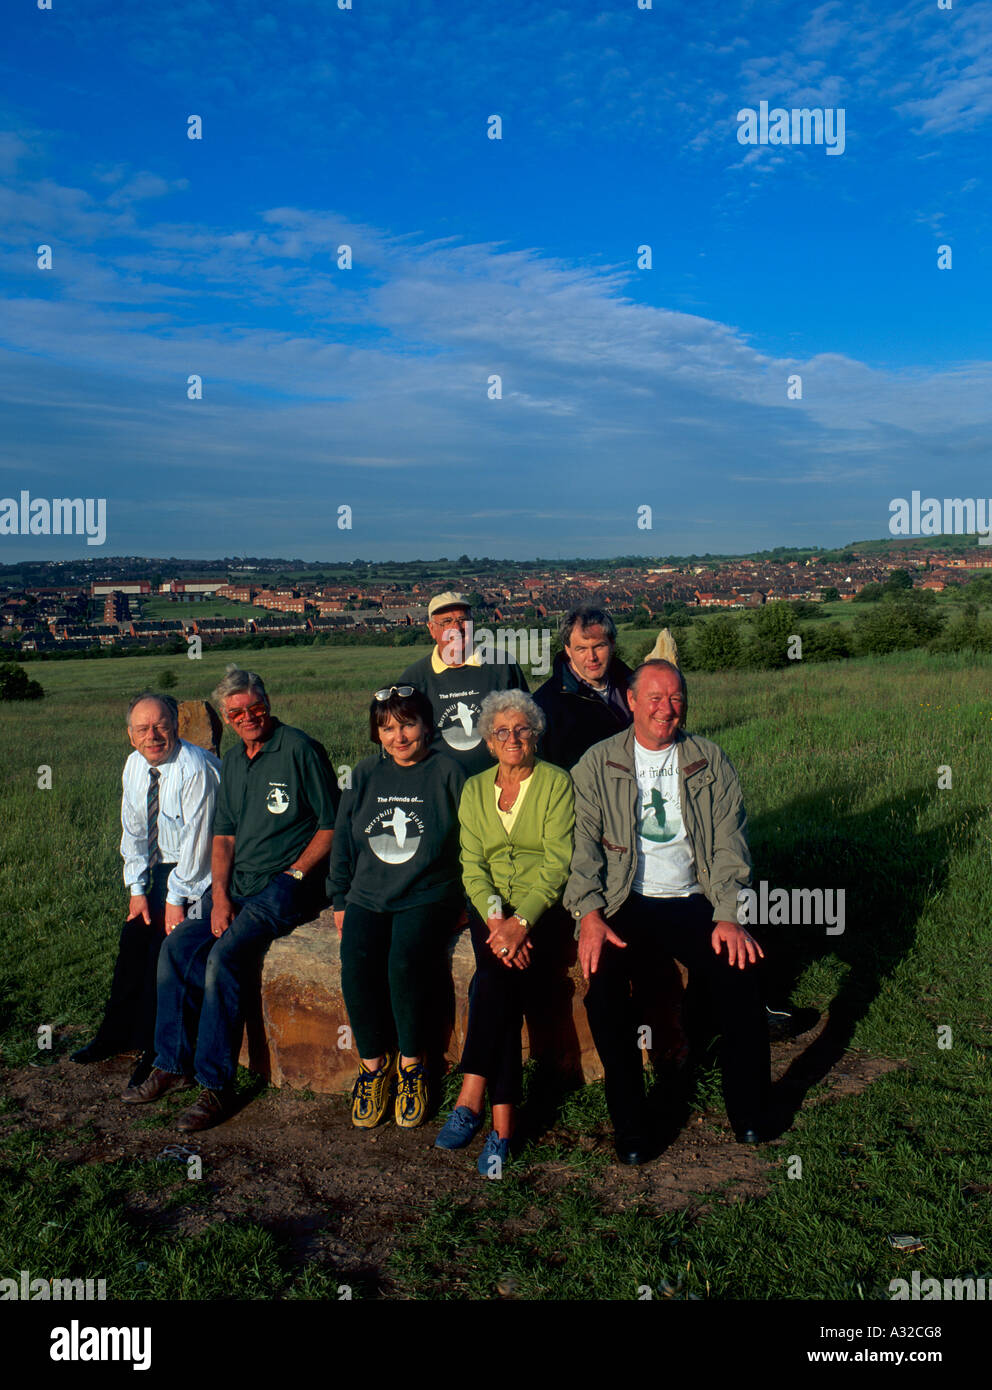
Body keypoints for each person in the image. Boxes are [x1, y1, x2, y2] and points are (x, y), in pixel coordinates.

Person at [564, 659, 770, 1165]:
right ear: (631, 701)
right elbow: (580, 849)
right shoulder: (597, 763)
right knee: (605, 995)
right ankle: (632, 1126)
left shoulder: (708, 759)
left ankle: (748, 1111)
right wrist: (588, 915)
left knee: (739, 979)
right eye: (654, 697)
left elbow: (730, 845)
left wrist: (728, 913)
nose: (666, 709)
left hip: (693, 898)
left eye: (675, 698)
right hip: (623, 900)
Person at [122, 666, 339, 1132]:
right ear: (227, 715)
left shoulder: (299, 749)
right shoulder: (237, 761)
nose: (247, 717)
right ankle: (171, 1062)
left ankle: (216, 1084)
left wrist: (296, 873)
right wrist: (219, 895)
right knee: (177, 947)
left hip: (285, 887)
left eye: (254, 707)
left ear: (267, 702)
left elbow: (331, 825)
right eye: (235, 711)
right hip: (237, 885)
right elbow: (223, 836)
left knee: (224, 956)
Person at [436, 690, 574, 1176]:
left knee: (492, 984)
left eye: (522, 729)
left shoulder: (557, 783)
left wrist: (522, 923)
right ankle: (503, 1127)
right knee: (501, 982)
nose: (513, 738)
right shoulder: (474, 790)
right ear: (489, 742)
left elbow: (557, 865)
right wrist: (497, 921)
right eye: (502, 732)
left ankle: (473, 1096)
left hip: (542, 911)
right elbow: (472, 865)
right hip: (490, 911)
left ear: (535, 735)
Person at [328, 685, 466, 1129]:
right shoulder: (365, 775)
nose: (399, 736)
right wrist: (339, 898)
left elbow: (471, 840)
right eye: (387, 727)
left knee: (404, 963)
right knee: (356, 962)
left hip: (428, 893)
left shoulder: (448, 771)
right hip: (368, 894)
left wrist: (466, 899)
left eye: (407, 724)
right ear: (376, 733)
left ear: (427, 725)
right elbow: (345, 841)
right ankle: (373, 1067)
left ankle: (412, 1064)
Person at [72, 693, 220, 1088]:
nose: (152, 736)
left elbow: (199, 846)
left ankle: (157, 1051)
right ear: (130, 735)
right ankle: (115, 1035)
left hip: (201, 874)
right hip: (160, 869)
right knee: (133, 938)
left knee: (164, 950)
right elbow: (134, 830)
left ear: (175, 726)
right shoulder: (135, 765)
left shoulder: (195, 769)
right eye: (143, 729)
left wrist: (176, 899)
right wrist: (137, 890)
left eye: (161, 726)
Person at [398, 592, 528, 777]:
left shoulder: (502, 665)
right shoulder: (414, 678)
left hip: (500, 783)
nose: (456, 628)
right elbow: (400, 741)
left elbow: (527, 726)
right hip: (439, 787)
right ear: (431, 629)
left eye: (462, 620)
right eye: (446, 622)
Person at [532, 605, 633, 771]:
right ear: (568, 650)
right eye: (581, 649)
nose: (591, 657)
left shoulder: (636, 685)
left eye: (599, 646)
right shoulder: (544, 705)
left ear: (612, 644)